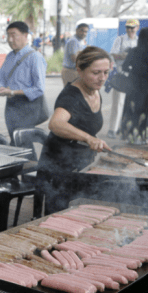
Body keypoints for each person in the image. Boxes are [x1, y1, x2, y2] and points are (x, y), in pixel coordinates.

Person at [37, 46, 112, 215]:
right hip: (59, 167)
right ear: (79, 70)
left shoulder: (95, 91)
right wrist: (89, 138)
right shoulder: (71, 96)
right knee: (59, 217)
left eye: (106, 72)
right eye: (96, 73)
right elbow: (55, 123)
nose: (102, 78)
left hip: (81, 166)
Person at [0, 21, 48, 145]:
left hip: (28, 106)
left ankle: (27, 158)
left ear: (25, 35)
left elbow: (39, 88)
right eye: (8, 35)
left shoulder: (35, 57)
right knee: (15, 140)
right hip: (11, 105)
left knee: (23, 141)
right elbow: (1, 78)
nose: (10, 39)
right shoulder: (9, 56)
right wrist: (0, 88)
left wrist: (13, 92)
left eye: (14, 35)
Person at [120, 27, 148, 145]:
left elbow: (125, 67)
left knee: (132, 108)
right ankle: (143, 137)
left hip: (134, 83)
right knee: (146, 109)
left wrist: (134, 70)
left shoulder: (133, 51)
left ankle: (130, 136)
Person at [106, 18, 139, 139]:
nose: (130, 30)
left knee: (132, 104)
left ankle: (125, 128)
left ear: (137, 28)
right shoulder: (120, 39)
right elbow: (113, 55)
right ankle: (112, 129)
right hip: (121, 75)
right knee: (118, 103)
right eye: (128, 28)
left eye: (132, 28)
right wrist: (126, 56)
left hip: (134, 76)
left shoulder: (139, 41)